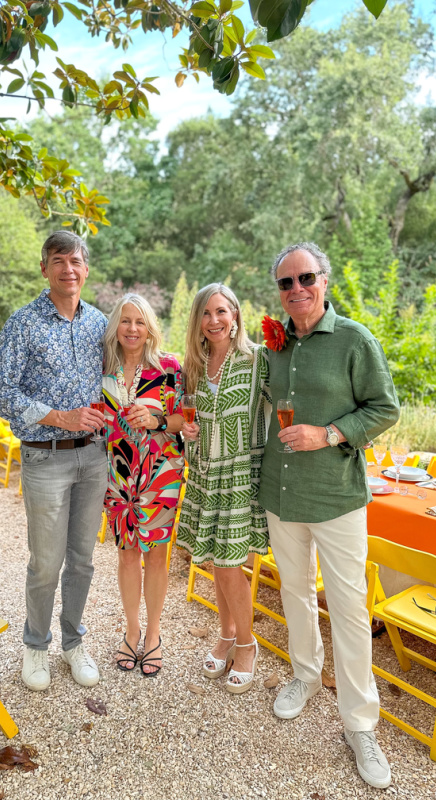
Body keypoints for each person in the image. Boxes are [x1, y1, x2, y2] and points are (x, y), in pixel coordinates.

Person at [259, 242, 400, 789]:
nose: (296, 290)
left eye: (306, 279)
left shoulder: (353, 339)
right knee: (293, 592)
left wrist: (330, 433)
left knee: (348, 609)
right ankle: (305, 676)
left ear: (325, 281)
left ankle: (362, 725)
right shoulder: (273, 344)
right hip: (283, 491)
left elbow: (384, 407)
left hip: (337, 496)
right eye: (286, 283)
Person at [0, 230, 108, 692]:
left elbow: (126, 371)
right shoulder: (23, 324)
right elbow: (0, 393)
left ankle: (74, 642)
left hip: (94, 459)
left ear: (85, 268)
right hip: (45, 459)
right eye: (59, 261)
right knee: (45, 562)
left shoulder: (100, 323)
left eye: (75, 261)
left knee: (82, 560)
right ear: (45, 268)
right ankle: (35, 645)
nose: (68, 269)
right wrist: (59, 417)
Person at [176, 284, 270, 694]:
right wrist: (187, 428)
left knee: (231, 564)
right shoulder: (193, 366)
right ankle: (227, 634)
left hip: (237, 475)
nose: (214, 320)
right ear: (198, 321)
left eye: (221, 312)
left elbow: (289, 401)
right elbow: (184, 415)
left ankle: (247, 645)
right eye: (206, 313)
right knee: (216, 560)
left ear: (235, 315)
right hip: (203, 474)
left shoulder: (257, 360)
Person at [102, 294, 185, 676]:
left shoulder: (168, 367)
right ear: (115, 327)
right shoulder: (103, 368)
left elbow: (184, 420)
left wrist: (155, 421)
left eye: (140, 321)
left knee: (156, 554)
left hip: (160, 471)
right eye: (125, 321)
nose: (132, 329)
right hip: (118, 474)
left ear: (150, 326)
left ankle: (153, 634)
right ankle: (131, 629)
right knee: (126, 554)